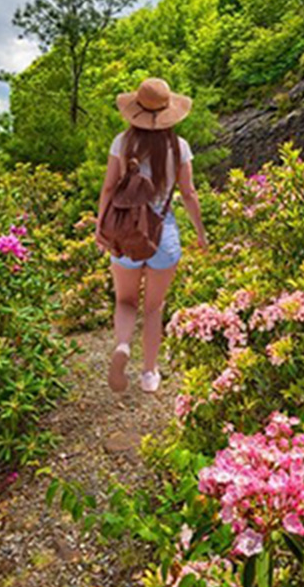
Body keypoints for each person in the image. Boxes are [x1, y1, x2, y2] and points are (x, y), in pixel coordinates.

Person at [95, 78, 208, 394]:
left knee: (126, 300)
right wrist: (201, 232)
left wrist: (100, 225)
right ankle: (149, 373)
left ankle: (122, 346)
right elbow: (188, 193)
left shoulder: (122, 142)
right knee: (154, 307)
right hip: (163, 233)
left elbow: (108, 187)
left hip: (125, 231)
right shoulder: (179, 147)